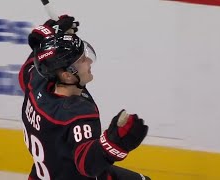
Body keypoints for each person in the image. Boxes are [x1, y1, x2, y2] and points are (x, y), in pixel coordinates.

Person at [18, 15, 150, 180]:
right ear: (67, 76)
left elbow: (31, 67)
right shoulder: (77, 114)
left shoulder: (37, 83)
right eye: (82, 60)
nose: (89, 61)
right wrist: (114, 144)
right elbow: (87, 164)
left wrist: (50, 38)